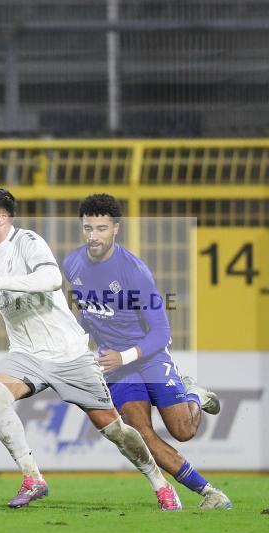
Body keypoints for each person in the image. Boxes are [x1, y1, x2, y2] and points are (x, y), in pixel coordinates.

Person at [0, 187, 183, 511]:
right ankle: (32, 478)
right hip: (27, 353)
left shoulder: (27, 242)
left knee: (115, 430)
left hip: (69, 353)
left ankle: (160, 484)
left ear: (1, 218)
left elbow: (51, 279)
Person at [62, 194, 232, 510]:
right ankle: (209, 491)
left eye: (101, 229)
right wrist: (77, 343)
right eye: (87, 228)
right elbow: (87, 312)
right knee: (140, 434)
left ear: (115, 229)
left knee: (182, 431)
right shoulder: (72, 264)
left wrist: (124, 356)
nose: (93, 236)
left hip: (148, 357)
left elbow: (161, 332)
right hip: (116, 367)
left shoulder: (134, 271)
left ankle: (193, 394)